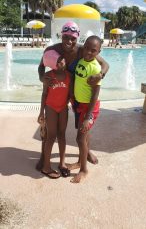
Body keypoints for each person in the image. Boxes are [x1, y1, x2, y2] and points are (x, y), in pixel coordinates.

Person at [37, 21, 109, 170]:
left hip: (77, 95)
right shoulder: (53, 49)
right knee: (49, 128)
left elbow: (105, 64)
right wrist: (41, 77)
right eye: (66, 37)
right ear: (61, 36)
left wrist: (100, 75)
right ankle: (43, 156)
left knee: (82, 128)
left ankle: (86, 152)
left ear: (77, 38)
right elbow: (41, 66)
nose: (69, 41)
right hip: (59, 93)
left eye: (73, 38)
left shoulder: (83, 50)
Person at [70, 35, 102, 183]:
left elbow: (95, 95)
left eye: (93, 50)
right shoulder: (82, 60)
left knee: (80, 138)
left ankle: (84, 170)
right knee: (84, 136)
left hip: (90, 108)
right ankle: (80, 161)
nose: (89, 52)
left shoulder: (95, 68)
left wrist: (88, 117)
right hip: (80, 104)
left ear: (98, 52)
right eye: (87, 48)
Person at [38, 49, 71, 178]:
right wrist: (41, 112)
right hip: (50, 108)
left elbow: (70, 94)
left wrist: (68, 103)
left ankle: (62, 163)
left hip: (63, 108)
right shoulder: (48, 76)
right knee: (51, 136)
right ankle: (46, 167)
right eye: (58, 61)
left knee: (62, 135)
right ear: (53, 65)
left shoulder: (69, 76)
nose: (62, 61)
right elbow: (44, 94)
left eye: (62, 59)